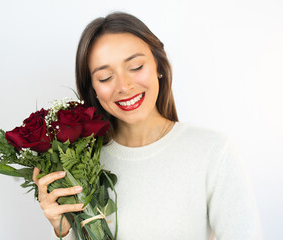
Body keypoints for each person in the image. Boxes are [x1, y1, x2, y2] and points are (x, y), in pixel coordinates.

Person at [33, 12, 263, 239]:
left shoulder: (214, 152)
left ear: (159, 66)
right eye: (105, 78)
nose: (124, 86)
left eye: (135, 67)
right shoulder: (82, 165)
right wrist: (63, 229)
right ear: (92, 89)